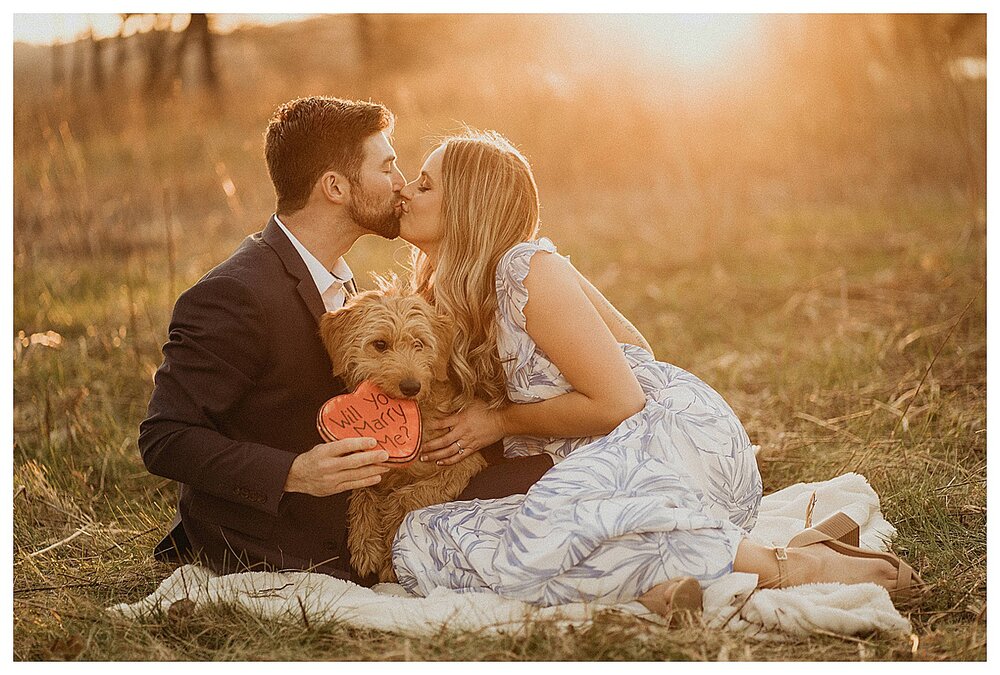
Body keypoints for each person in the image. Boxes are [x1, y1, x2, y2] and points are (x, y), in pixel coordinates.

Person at [390, 130, 922, 614]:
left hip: (662, 435)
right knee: (423, 537)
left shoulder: (524, 270)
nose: (406, 192)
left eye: (425, 184)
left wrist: (502, 421)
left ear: (466, 205)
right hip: (596, 454)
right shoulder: (454, 287)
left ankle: (790, 565)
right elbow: (632, 344)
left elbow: (621, 400)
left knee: (541, 533)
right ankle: (666, 584)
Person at [138, 99, 553, 584]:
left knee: (540, 470)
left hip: (379, 490)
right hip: (289, 526)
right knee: (539, 487)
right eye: (387, 167)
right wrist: (295, 471)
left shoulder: (345, 285)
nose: (401, 183)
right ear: (335, 187)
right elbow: (165, 438)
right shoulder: (234, 294)